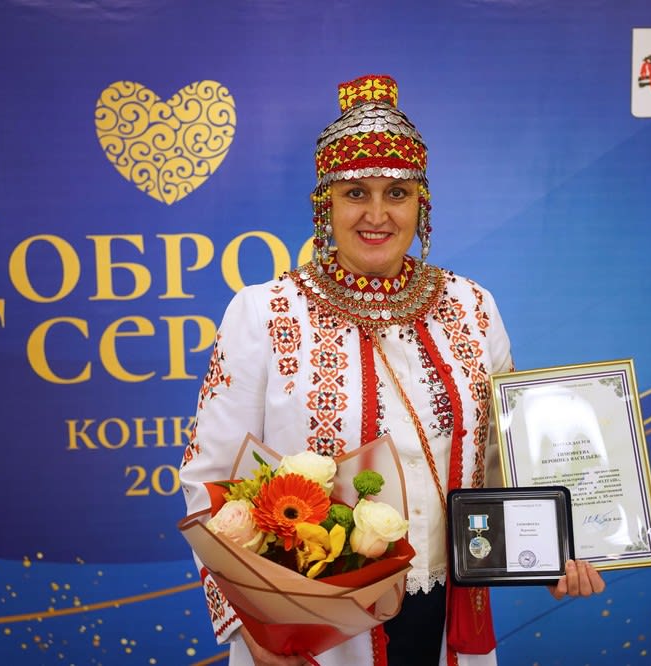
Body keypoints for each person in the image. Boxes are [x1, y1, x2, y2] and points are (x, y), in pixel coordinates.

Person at [179, 73, 605, 666]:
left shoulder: (472, 307)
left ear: (420, 204)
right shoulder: (264, 312)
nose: (376, 214)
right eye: (356, 192)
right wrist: (251, 626)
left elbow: (503, 459)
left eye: (397, 193)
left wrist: (557, 550)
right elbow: (210, 480)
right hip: (313, 631)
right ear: (326, 204)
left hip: (448, 611)